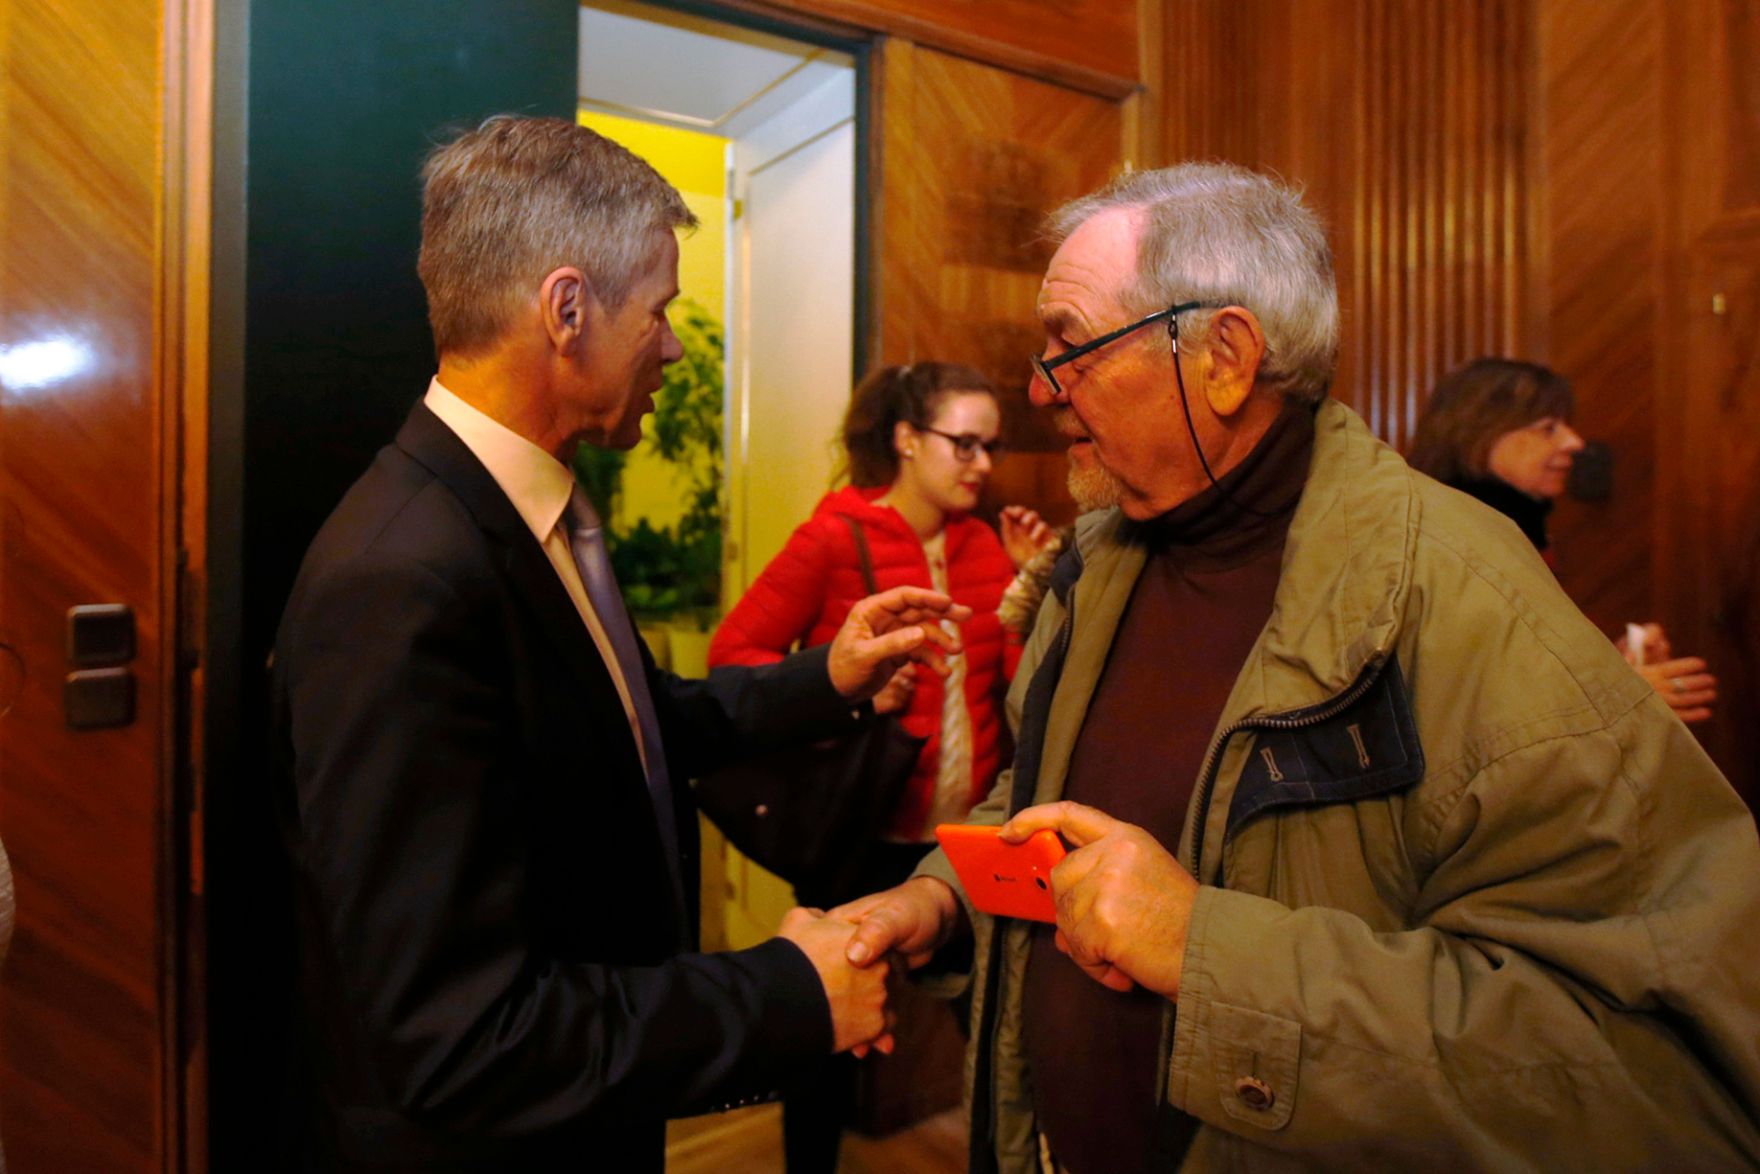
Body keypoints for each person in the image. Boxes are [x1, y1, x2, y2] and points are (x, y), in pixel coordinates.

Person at [831, 162, 1760, 1171]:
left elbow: (1650, 1061)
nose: (1037, 387)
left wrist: (1202, 947)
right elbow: (1051, 798)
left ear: (1224, 356)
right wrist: (939, 898)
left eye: (1073, 345)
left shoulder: (1460, 595)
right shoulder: (1093, 562)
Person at [269, 115, 967, 1171]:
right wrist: (786, 993)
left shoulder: (527, 516)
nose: (675, 345)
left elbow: (635, 723)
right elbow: (460, 1034)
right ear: (566, 309)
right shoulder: (399, 579)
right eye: (660, 311)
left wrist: (824, 678)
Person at [707, 361, 1057, 1170]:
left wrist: (1029, 591)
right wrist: (852, 689)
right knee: (827, 1030)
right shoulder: (835, 536)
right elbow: (736, 662)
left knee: (997, 1027)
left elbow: (1013, 691)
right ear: (906, 440)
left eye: (990, 446)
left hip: (964, 840)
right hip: (858, 830)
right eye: (963, 443)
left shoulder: (984, 543)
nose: (981, 463)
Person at [1408, 356, 1718, 723]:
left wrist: (1612, 667)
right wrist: (1616, 694)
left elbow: (1524, 668)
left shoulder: (1513, 526)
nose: (1574, 442)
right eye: (1549, 427)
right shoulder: (1447, 539)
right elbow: (1465, 703)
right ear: (1480, 433)